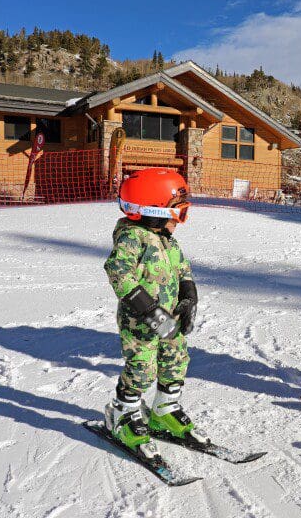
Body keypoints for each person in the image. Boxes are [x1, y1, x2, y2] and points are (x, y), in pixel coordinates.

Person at [103, 168, 200, 456]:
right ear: (151, 209)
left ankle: (164, 410)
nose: (179, 220)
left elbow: (182, 267)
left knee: (176, 359)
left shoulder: (166, 236)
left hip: (171, 318)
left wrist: (188, 294)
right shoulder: (132, 237)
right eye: (177, 212)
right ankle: (122, 414)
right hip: (141, 321)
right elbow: (118, 272)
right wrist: (149, 311)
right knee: (142, 369)